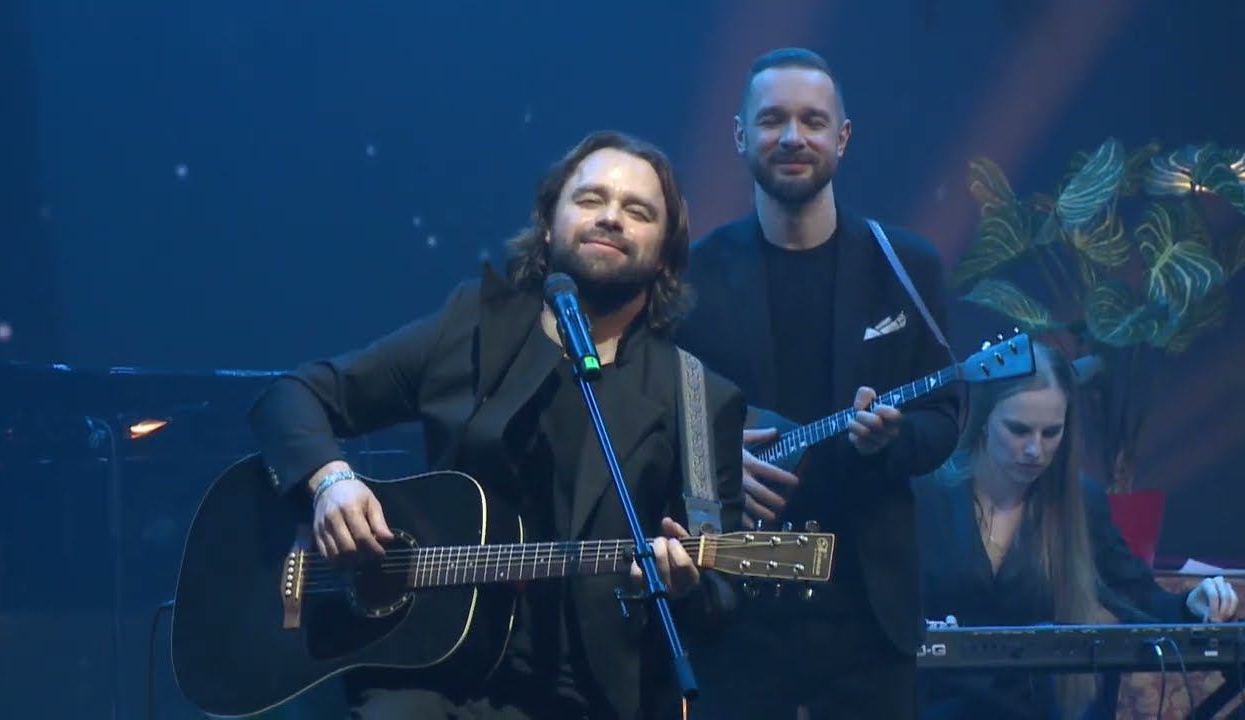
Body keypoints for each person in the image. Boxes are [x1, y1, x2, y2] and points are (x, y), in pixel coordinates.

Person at [248, 130, 747, 720]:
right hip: (425, 673)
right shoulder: (472, 326)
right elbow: (292, 397)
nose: (611, 217)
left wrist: (685, 585)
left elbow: (719, 595)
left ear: (664, 253)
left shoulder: (697, 397)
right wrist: (330, 481)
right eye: (590, 199)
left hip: (586, 698)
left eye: (637, 211)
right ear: (549, 225)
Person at [676, 48, 960, 719]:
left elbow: (946, 416)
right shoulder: (691, 278)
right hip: (735, 615)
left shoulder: (905, 265)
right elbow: (658, 422)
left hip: (869, 617)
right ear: (740, 135)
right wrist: (712, 469)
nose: (793, 137)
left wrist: (892, 438)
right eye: (772, 119)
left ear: (843, 137)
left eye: (812, 120)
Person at [914, 340, 1239, 719]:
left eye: (1051, 432)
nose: (1035, 450)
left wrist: (1192, 605)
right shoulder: (927, 493)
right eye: (1019, 430)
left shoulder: (1080, 502)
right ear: (984, 420)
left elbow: (1136, 596)